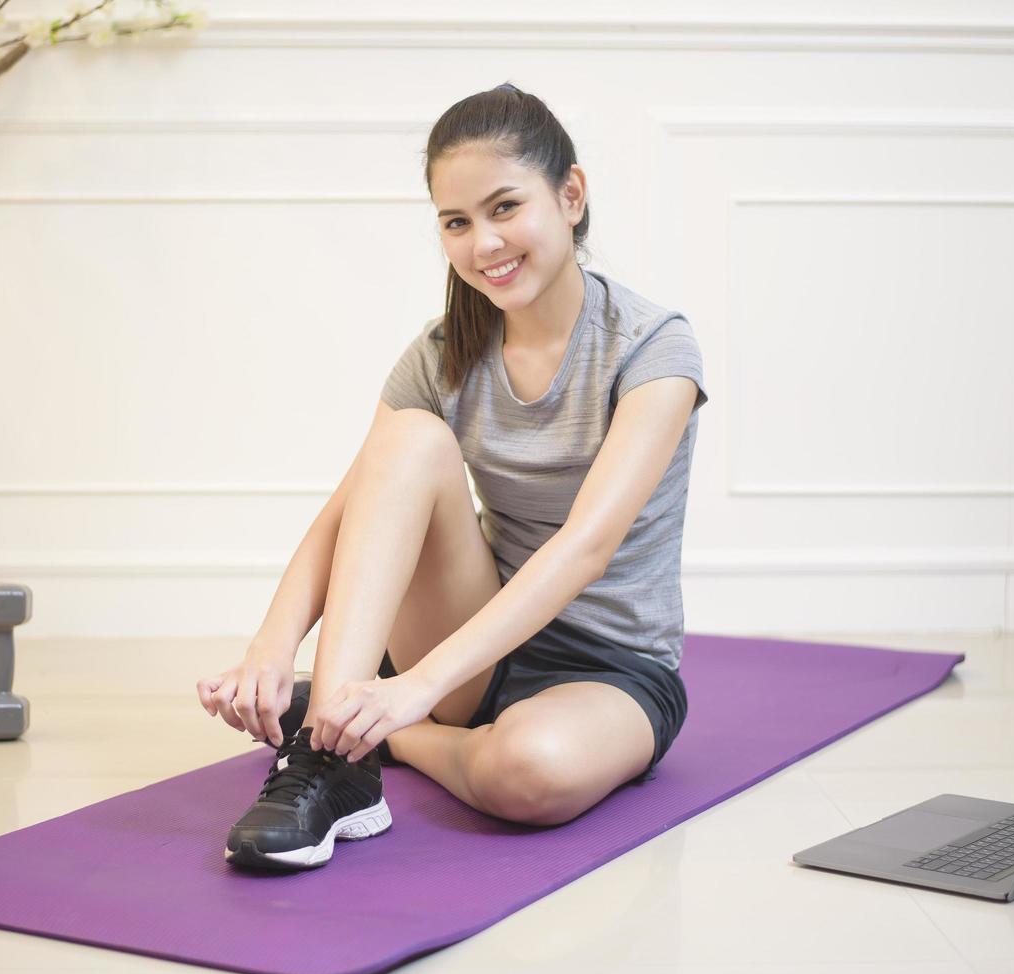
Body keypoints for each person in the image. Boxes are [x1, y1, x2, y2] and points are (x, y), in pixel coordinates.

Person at [199, 82, 708, 871]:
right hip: (475, 649)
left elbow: (585, 548)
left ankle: (366, 726)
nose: (484, 243)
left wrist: (411, 692)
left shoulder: (652, 350)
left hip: (608, 668)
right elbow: (350, 511)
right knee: (405, 441)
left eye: (505, 208)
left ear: (569, 195)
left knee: (528, 773)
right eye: (456, 222)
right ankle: (335, 760)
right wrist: (270, 645)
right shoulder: (442, 352)